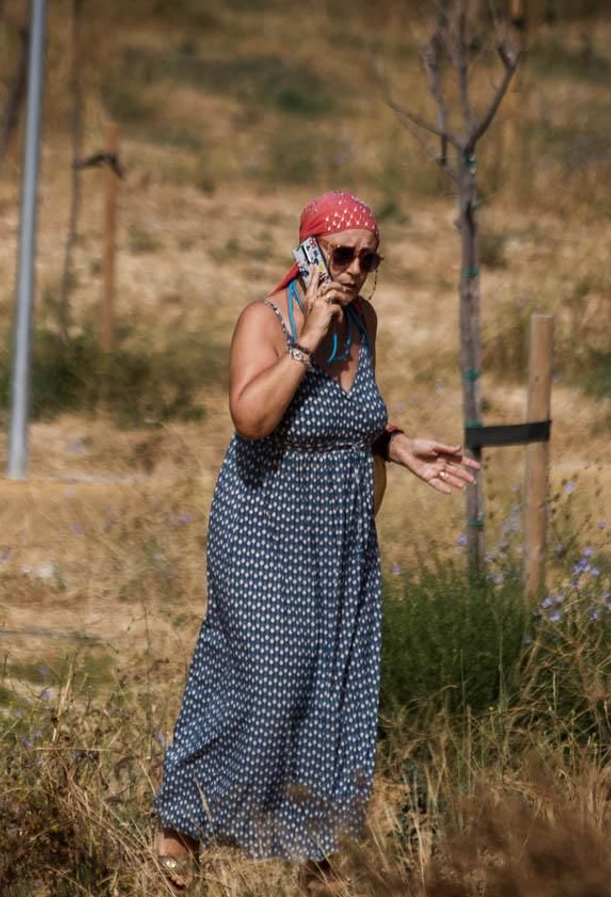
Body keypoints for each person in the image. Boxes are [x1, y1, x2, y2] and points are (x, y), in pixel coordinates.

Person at [151, 191, 481, 890]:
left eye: (371, 256)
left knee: (337, 680)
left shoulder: (364, 323)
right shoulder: (264, 321)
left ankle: (316, 847)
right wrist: (306, 337)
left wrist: (399, 445)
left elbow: (360, 418)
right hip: (262, 524)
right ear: (307, 252)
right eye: (343, 253)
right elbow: (251, 418)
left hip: (340, 534)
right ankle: (184, 818)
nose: (358, 268)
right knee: (269, 672)